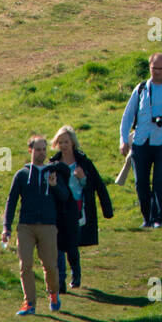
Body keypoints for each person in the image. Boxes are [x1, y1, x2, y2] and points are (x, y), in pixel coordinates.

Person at [119, 53, 162, 228]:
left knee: (160, 181)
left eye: (161, 69)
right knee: (141, 183)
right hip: (141, 142)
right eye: (154, 68)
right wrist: (123, 139)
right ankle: (147, 218)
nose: (157, 72)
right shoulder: (141, 88)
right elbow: (127, 115)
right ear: (149, 67)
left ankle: (158, 218)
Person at [1, 135, 70, 317]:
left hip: (48, 225)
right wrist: (6, 227)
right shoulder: (22, 175)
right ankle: (29, 303)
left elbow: (65, 196)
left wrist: (54, 186)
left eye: (44, 149)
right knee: (25, 266)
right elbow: (12, 201)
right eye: (38, 149)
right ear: (30, 150)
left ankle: (53, 294)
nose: (42, 153)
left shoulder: (52, 172)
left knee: (50, 266)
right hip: (26, 226)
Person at [48, 125, 113, 293]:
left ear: (73, 143)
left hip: (77, 208)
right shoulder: (53, 163)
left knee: (72, 243)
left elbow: (97, 185)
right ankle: (60, 281)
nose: (63, 145)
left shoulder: (83, 162)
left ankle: (75, 275)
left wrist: (83, 178)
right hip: (58, 209)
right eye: (60, 142)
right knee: (58, 244)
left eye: (66, 142)